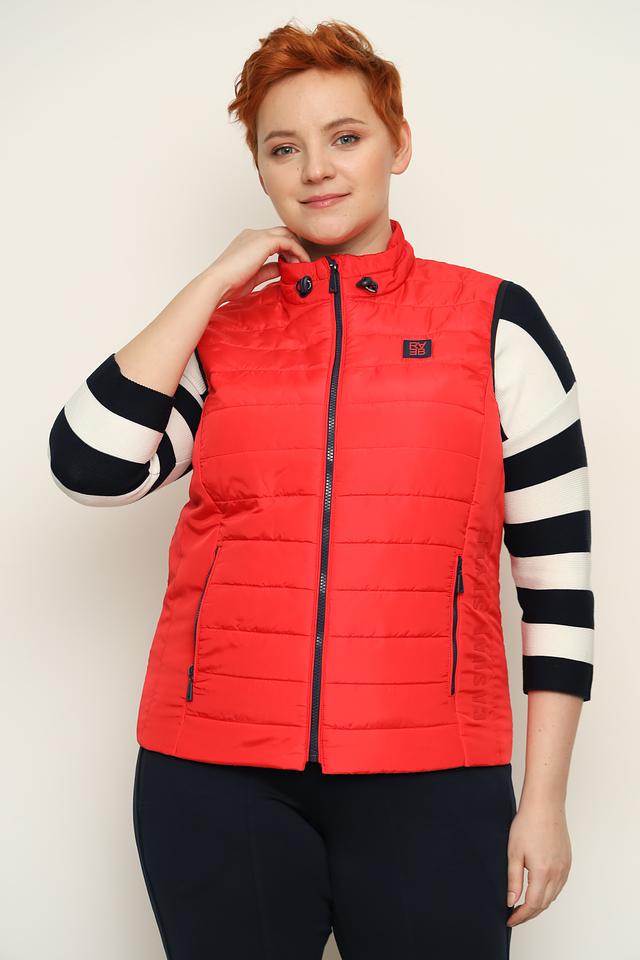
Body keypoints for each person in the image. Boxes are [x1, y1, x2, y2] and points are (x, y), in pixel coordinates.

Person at [47, 18, 594, 960]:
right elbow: (88, 467)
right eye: (283, 148)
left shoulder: (496, 326)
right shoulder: (222, 341)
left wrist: (543, 802)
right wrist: (213, 283)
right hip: (213, 778)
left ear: (398, 144)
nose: (316, 170)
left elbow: (559, 587)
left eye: (346, 136)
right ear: (260, 172)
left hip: (434, 777)